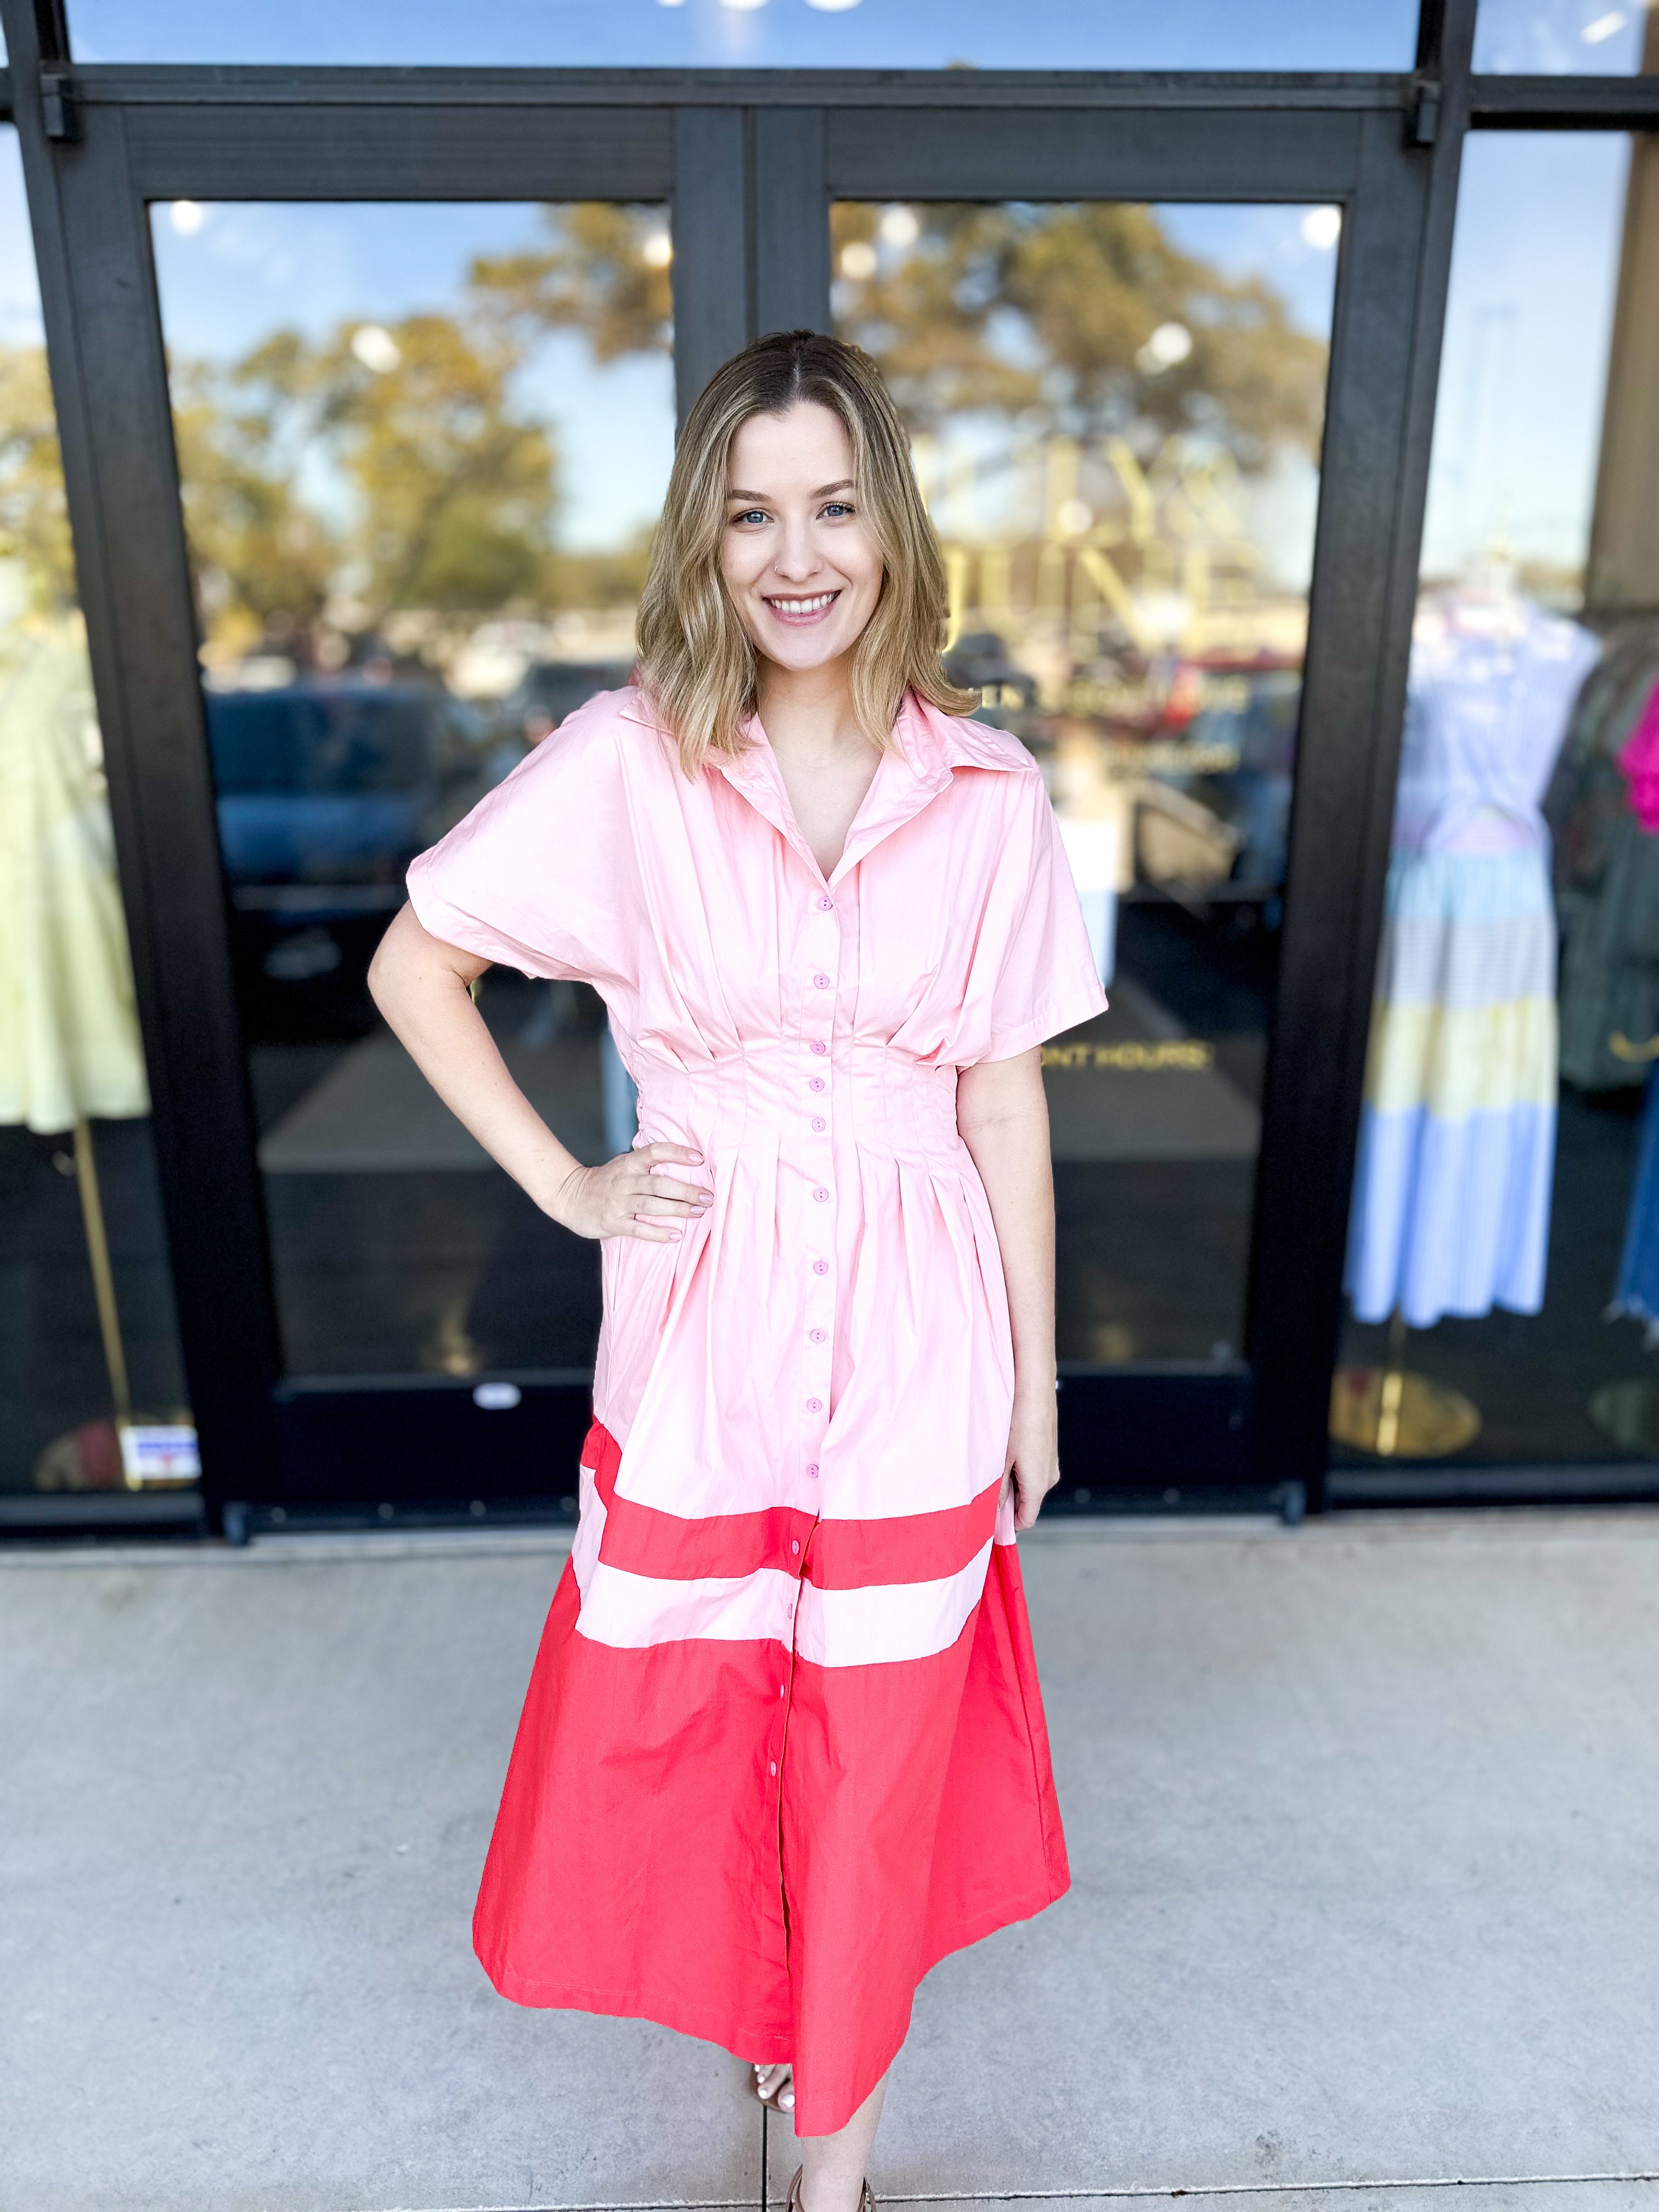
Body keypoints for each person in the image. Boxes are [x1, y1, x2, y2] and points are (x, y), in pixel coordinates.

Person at [368, 330, 1107, 2209]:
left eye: (835, 507)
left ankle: (832, 2164)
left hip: (921, 1326)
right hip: (705, 1317)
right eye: (751, 513)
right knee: (704, 1715)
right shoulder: (630, 763)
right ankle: (767, 2008)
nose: (798, 557)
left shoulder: (993, 791)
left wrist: (1031, 1391)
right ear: (705, 541)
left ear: (891, 526)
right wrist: (561, 1182)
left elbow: (1004, 1109)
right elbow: (416, 965)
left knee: (873, 1747)